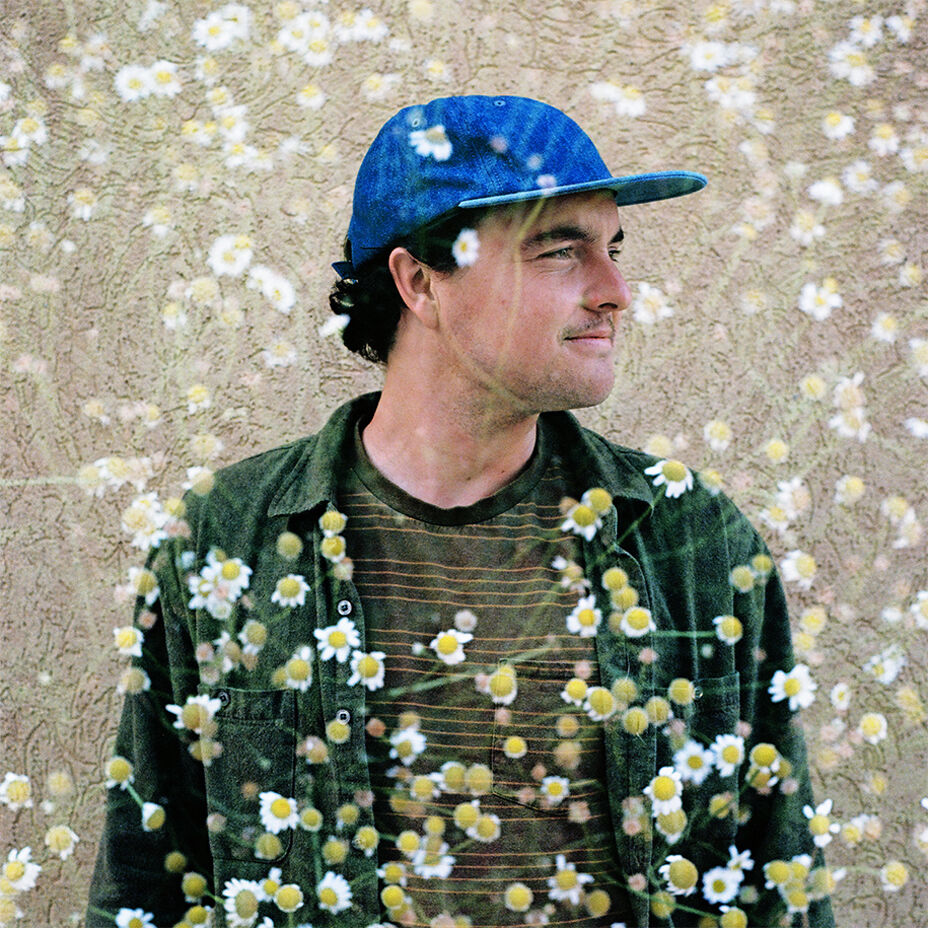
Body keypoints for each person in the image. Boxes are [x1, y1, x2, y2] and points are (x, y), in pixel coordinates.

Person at [88, 95, 835, 928]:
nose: (616, 292)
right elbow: (145, 884)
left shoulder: (689, 537)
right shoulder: (226, 540)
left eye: (613, 249)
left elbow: (780, 884)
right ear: (419, 282)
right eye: (561, 251)